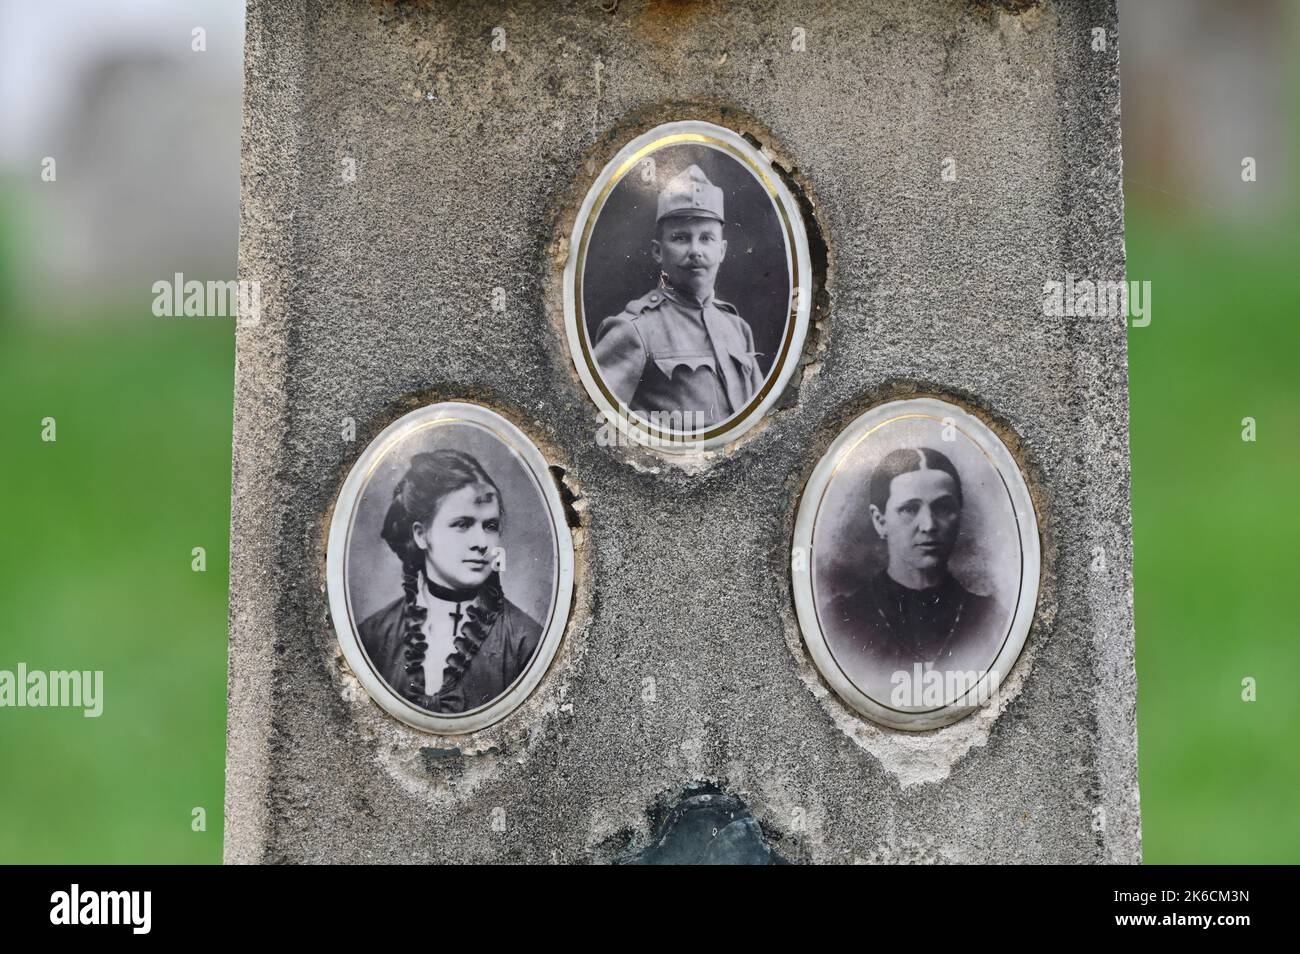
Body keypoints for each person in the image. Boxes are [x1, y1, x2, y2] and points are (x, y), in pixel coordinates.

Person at [358, 449, 542, 714]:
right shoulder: (374, 635)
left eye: (490, 526)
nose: (481, 543)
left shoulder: (525, 643)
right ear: (422, 535)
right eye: (462, 524)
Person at [591, 163, 762, 430]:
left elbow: (760, 421)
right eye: (681, 238)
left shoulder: (737, 328)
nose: (695, 251)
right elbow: (596, 421)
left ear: (722, 250)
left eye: (706, 238)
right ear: (658, 251)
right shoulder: (634, 329)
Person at [827, 447, 1002, 673]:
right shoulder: (843, 620)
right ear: (880, 521)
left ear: (959, 513)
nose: (929, 525)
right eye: (910, 509)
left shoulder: (990, 617)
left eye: (943, 507)